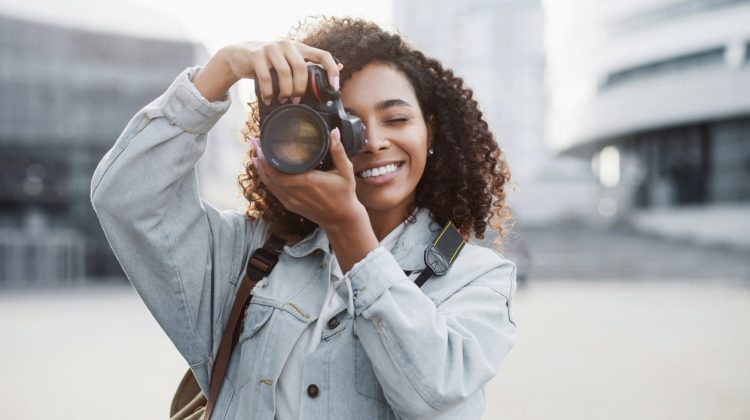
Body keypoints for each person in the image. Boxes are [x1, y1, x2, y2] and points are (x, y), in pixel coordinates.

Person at [91, 16, 517, 420]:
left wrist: (348, 229)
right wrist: (220, 71)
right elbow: (126, 197)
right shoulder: (249, 256)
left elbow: (432, 392)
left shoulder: (477, 278)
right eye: (346, 122)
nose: (373, 141)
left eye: (396, 118)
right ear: (304, 136)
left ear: (431, 131)